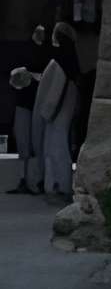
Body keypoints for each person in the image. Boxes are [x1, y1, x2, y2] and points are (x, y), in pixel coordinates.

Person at [33, 25, 82, 203]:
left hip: (56, 116)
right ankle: (59, 186)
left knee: (56, 149)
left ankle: (59, 187)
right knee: (58, 148)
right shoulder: (69, 64)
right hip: (59, 115)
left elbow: (55, 93)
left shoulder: (59, 64)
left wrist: (47, 113)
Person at [9, 28, 48, 196]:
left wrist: (31, 75)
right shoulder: (24, 51)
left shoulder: (47, 52)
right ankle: (24, 180)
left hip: (37, 103)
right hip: (24, 102)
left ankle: (38, 180)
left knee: (38, 144)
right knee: (23, 143)